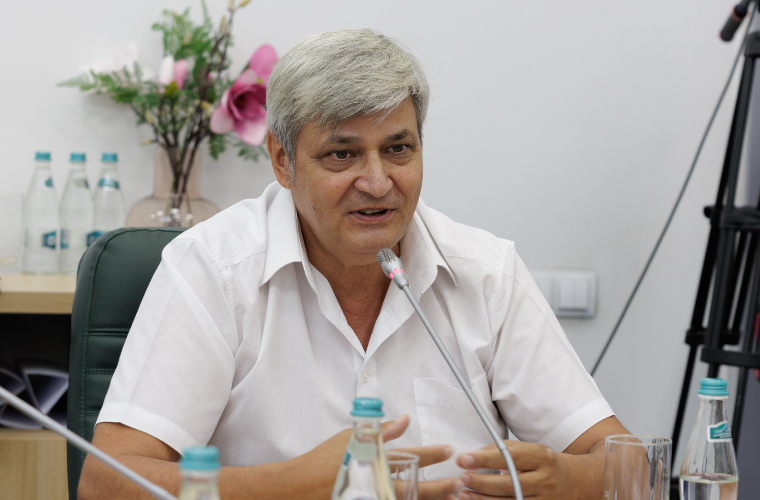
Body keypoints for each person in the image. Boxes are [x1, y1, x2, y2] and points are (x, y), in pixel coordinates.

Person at [79, 29, 628, 500]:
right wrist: (295, 485)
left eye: (398, 149)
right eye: (342, 154)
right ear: (282, 161)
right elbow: (106, 483)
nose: (378, 182)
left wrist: (569, 478)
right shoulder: (213, 269)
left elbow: (627, 462)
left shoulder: (485, 272)